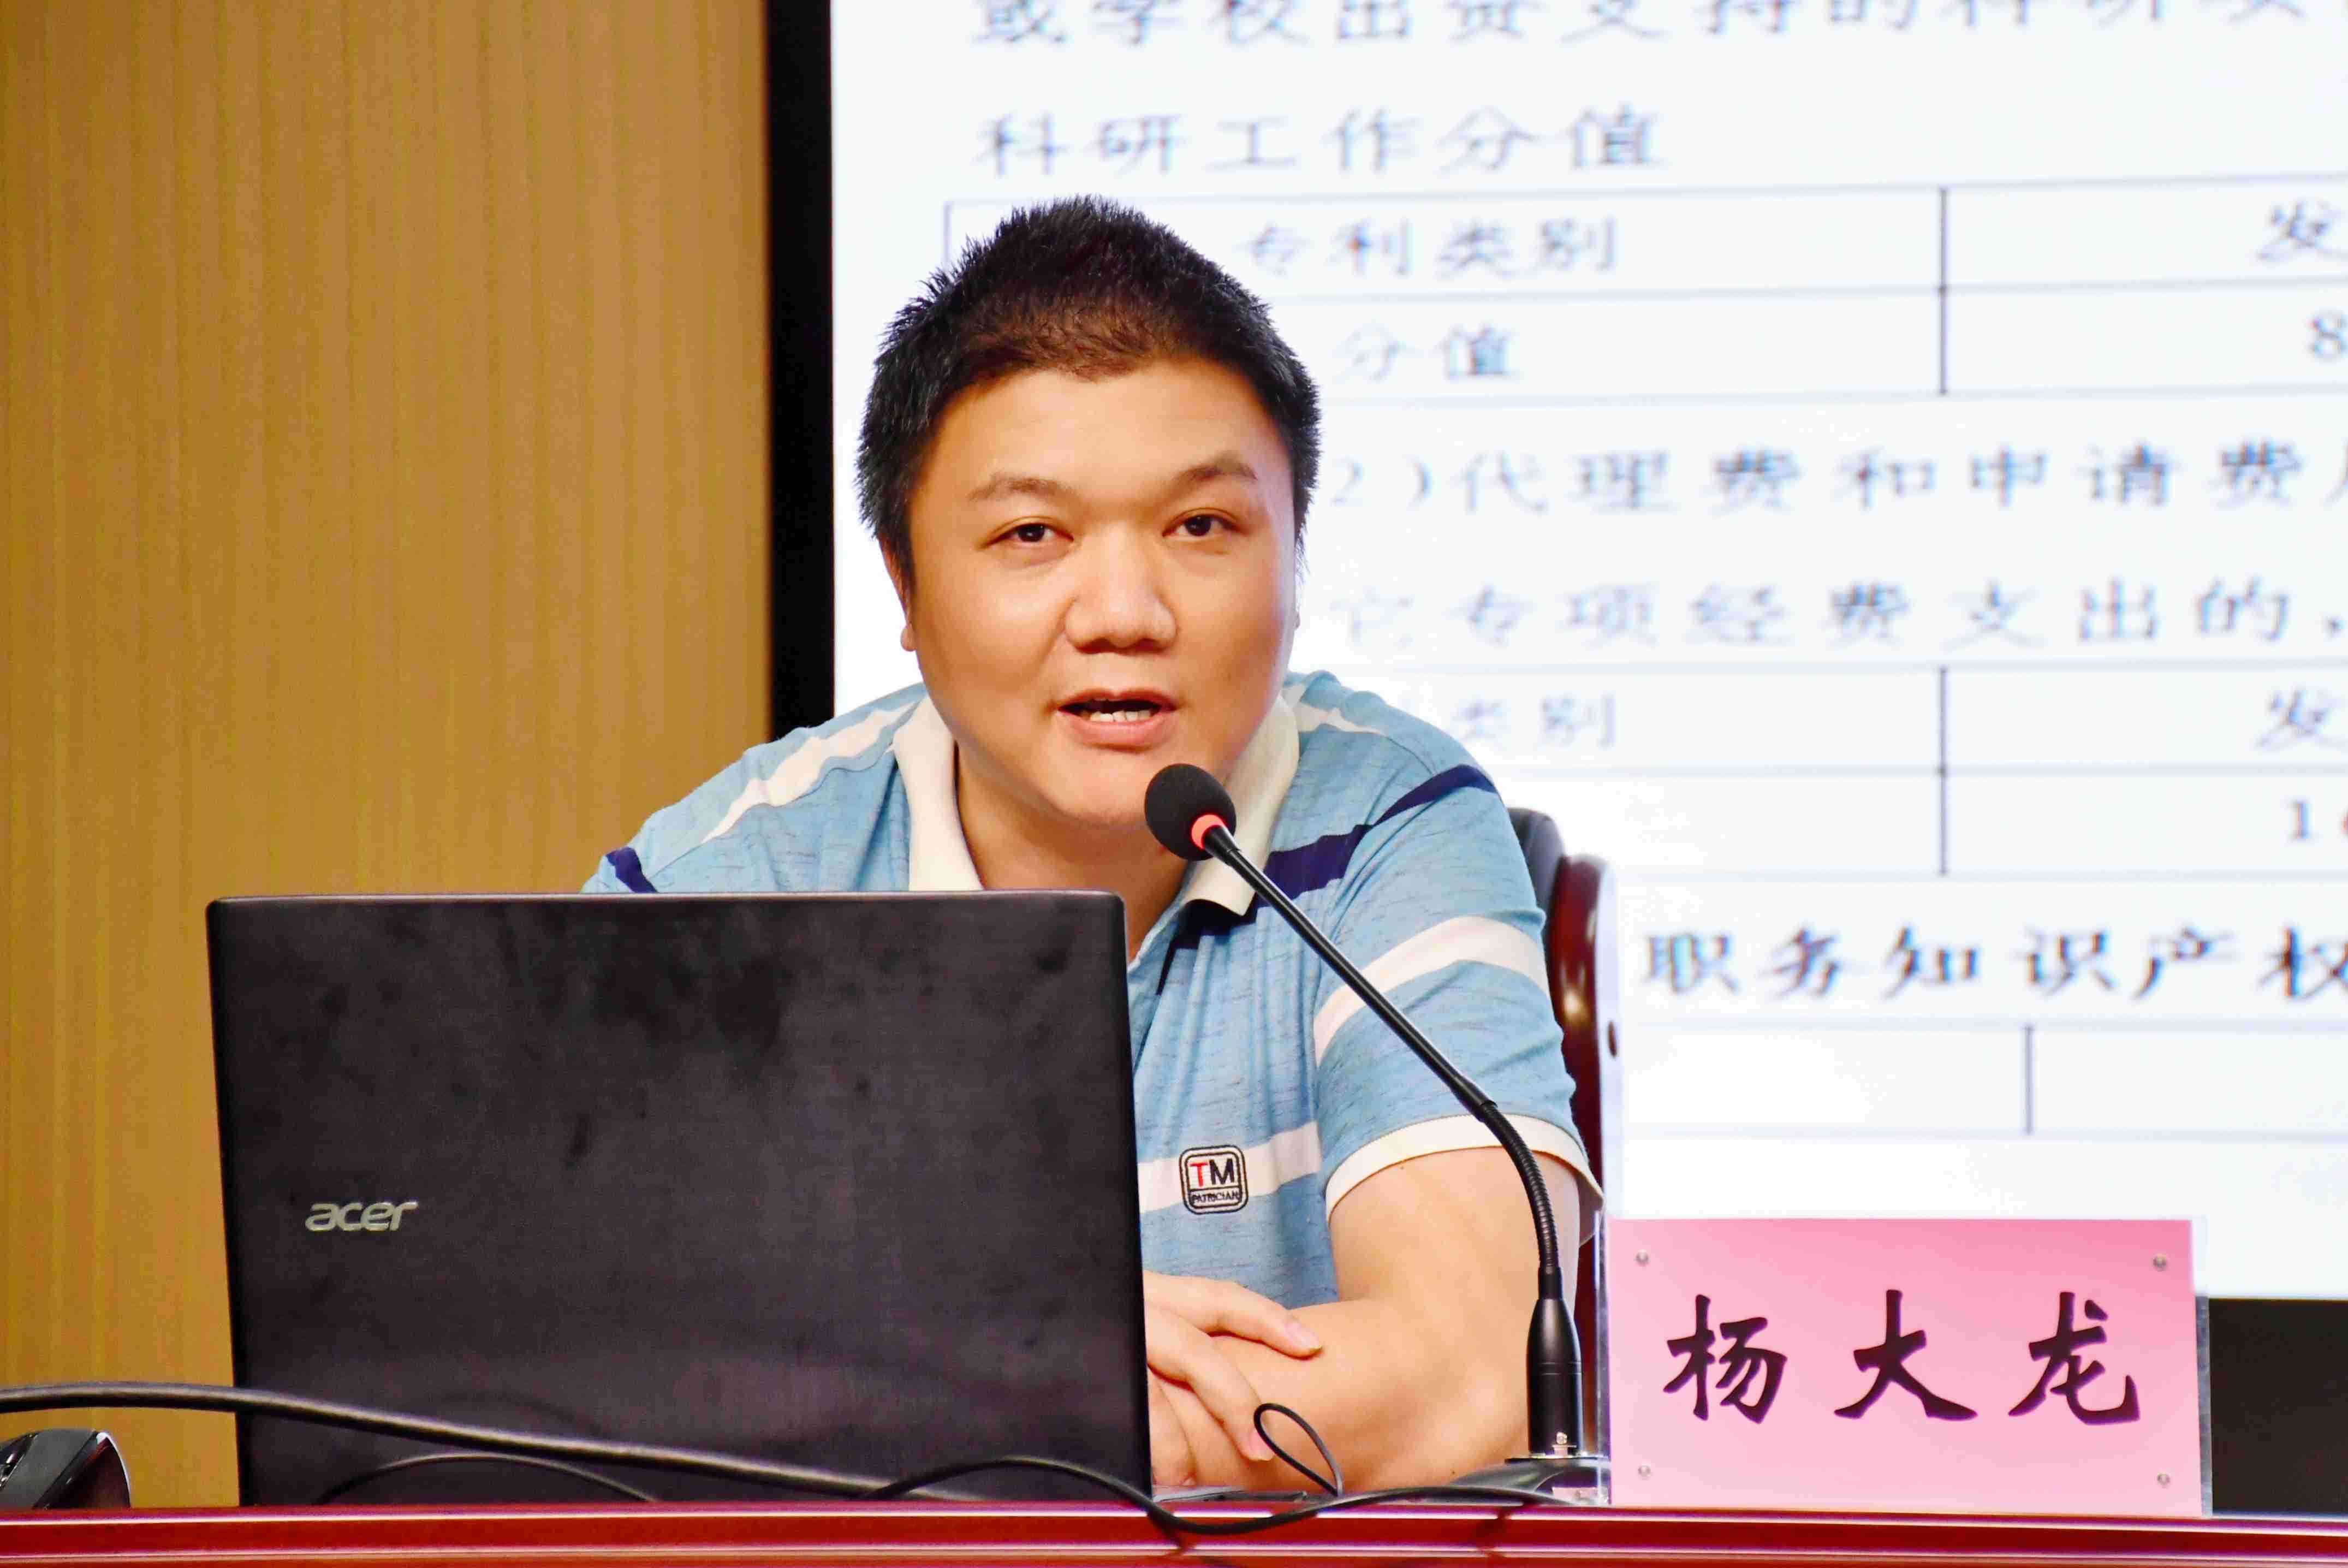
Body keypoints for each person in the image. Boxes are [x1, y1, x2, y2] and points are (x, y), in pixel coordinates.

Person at [585, 197, 1595, 1490]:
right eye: (1032, 536)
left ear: (1297, 555)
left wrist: (922, 1396)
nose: (1124, 612)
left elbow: (1474, 1371)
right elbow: (534, 1369)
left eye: (1201, 527)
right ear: (904, 583)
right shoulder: (734, 879)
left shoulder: (1391, 822)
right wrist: (1039, 1371)